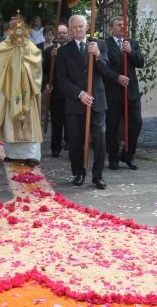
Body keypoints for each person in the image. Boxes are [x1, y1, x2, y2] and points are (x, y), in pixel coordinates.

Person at [55, 14, 108, 189]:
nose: (78, 29)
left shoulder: (99, 44)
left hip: (96, 101)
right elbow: (61, 80)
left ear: (87, 27)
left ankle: (98, 176)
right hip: (75, 102)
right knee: (76, 140)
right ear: (70, 30)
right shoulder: (64, 51)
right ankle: (78, 173)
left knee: (99, 139)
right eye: (75, 27)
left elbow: (106, 70)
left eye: (81, 26)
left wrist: (98, 55)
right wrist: (79, 93)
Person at [0, 15, 43, 165]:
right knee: (9, 120)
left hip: (27, 91)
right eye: (12, 27)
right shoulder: (3, 47)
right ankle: (12, 154)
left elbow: (37, 67)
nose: (16, 30)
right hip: (8, 90)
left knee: (28, 121)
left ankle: (32, 155)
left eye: (18, 26)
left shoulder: (31, 46)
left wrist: (23, 63)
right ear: (9, 29)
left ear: (25, 28)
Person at [102, 16, 144, 170]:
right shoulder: (105, 44)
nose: (122, 27)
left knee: (136, 123)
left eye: (124, 24)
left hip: (131, 92)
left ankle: (128, 155)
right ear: (111, 28)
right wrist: (116, 77)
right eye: (119, 25)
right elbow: (102, 68)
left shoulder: (132, 43)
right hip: (113, 93)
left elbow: (140, 62)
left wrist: (130, 52)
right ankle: (113, 157)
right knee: (112, 127)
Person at [42, 23, 69, 157]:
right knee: (57, 121)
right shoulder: (49, 51)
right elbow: (45, 71)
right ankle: (55, 147)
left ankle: (69, 142)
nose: (62, 35)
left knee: (70, 121)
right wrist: (47, 84)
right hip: (56, 91)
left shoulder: (72, 49)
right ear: (55, 35)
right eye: (59, 33)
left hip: (70, 91)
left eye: (64, 32)